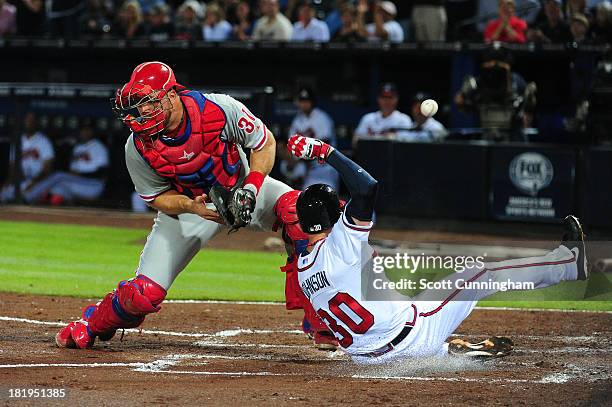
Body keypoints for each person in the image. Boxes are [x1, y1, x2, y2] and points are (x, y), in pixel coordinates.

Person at [54, 61, 333, 351]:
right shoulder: (137, 146)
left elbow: (264, 143)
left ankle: (322, 320)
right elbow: (156, 198)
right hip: (191, 208)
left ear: (171, 95)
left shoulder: (218, 108)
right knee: (143, 295)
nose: (143, 111)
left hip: (242, 189)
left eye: (148, 102)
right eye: (138, 104)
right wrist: (189, 205)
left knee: (301, 213)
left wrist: (251, 187)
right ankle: (93, 323)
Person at [286, 133, 589, 363]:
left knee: (411, 301)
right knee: (479, 274)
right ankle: (568, 263)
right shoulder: (341, 241)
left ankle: (449, 351)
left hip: (367, 359)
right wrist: (325, 151)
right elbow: (367, 187)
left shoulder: (302, 268)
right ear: (331, 216)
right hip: (412, 336)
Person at [24, 122, 109, 205]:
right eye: (83, 130)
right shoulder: (78, 148)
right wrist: (75, 174)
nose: (85, 132)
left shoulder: (99, 147)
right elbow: (73, 171)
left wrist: (80, 174)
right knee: (58, 188)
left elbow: (102, 173)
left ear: (92, 132)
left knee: (59, 176)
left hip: (93, 185)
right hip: (79, 183)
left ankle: (28, 197)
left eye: (88, 130)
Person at [288, 87, 339, 190]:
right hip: (305, 167)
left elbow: (324, 144)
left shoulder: (322, 118)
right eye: (302, 101)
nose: (304, 104)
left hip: (323, 168)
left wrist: (300, 160)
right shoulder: (297, 120)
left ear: (312, 102)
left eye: (306, 101)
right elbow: (291, 145)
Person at [0, 112, 55, 203]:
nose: (29, 123)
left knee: (27, 196)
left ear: (36, 123)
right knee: (3, 193)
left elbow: (47, 169)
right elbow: (13, 166)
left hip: (39, 182)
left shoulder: (44, 141)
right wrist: (8, 182)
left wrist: (34, 183)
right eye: (27, 120)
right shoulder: (18, 141)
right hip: (22, 181)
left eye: (32, 120)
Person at [353, 83, 413, 147]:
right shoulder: (368, 118)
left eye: (390, 97)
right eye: (384, 97)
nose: (386, 101)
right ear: (378, 99)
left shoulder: (404, 119)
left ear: (396, 99)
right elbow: (355, 142)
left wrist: (373, 138)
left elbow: (406, 144)